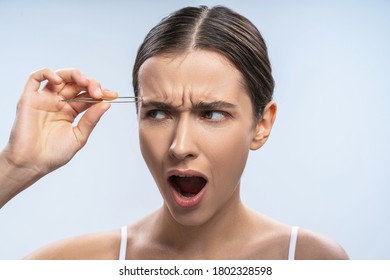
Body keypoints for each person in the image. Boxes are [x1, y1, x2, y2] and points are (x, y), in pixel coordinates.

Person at [0, 6, 348, 260]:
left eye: (211, 113)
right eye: (158, 112)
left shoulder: (312, 261)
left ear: (262, 125)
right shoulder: (70, 265)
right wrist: (17, 165)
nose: (180, 146)